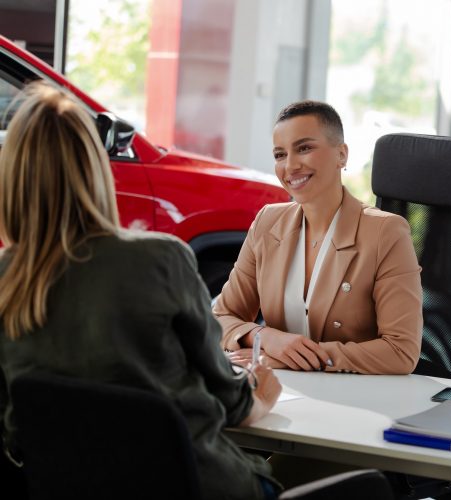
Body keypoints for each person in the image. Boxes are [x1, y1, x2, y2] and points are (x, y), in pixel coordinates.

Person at [0, 82, 281, 499]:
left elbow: (15, 426)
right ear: (96, 170)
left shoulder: (7, 281)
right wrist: (262, 393)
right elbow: (232, 405)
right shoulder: (160, 260)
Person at [214, 100, 422, 375]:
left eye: (304, 148)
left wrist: (301, 358)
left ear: (342, 155)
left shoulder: (386, 232)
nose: (290, 166)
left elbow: (401, 352)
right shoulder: (267, 223)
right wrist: (265, 338)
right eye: (279, 154)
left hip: (355, 399)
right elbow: (221, 317)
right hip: (283, 390)